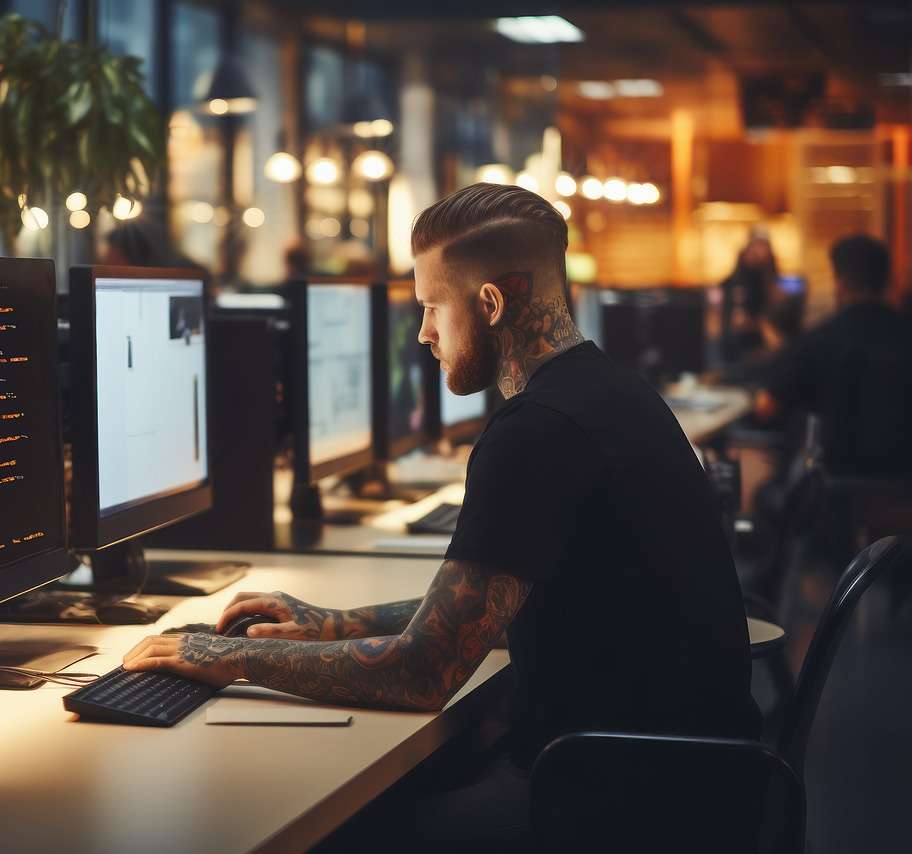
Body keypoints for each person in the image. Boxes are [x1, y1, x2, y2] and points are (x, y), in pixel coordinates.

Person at [122, 183, 759, 845]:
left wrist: (226, 657)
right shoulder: (607, 391)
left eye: (431, 306)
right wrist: (325, 624)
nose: (424, 332)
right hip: (688, 782)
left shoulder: (535, 433)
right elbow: (483, 609)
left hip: (619, 804)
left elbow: (424, 672)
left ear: (489, 303)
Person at [756, 234, 912, 477]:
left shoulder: (821, 338)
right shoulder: (905, 332)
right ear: (887, 281)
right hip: (903, 494)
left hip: (835, 494)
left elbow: (767, 406)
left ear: (841, 282)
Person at [719, 232, 779, 366]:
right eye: (755, 247)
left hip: (765, 348)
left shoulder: (770, 280)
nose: (758, 253)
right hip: (738, 348)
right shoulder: (735, 282)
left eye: (763, 247)